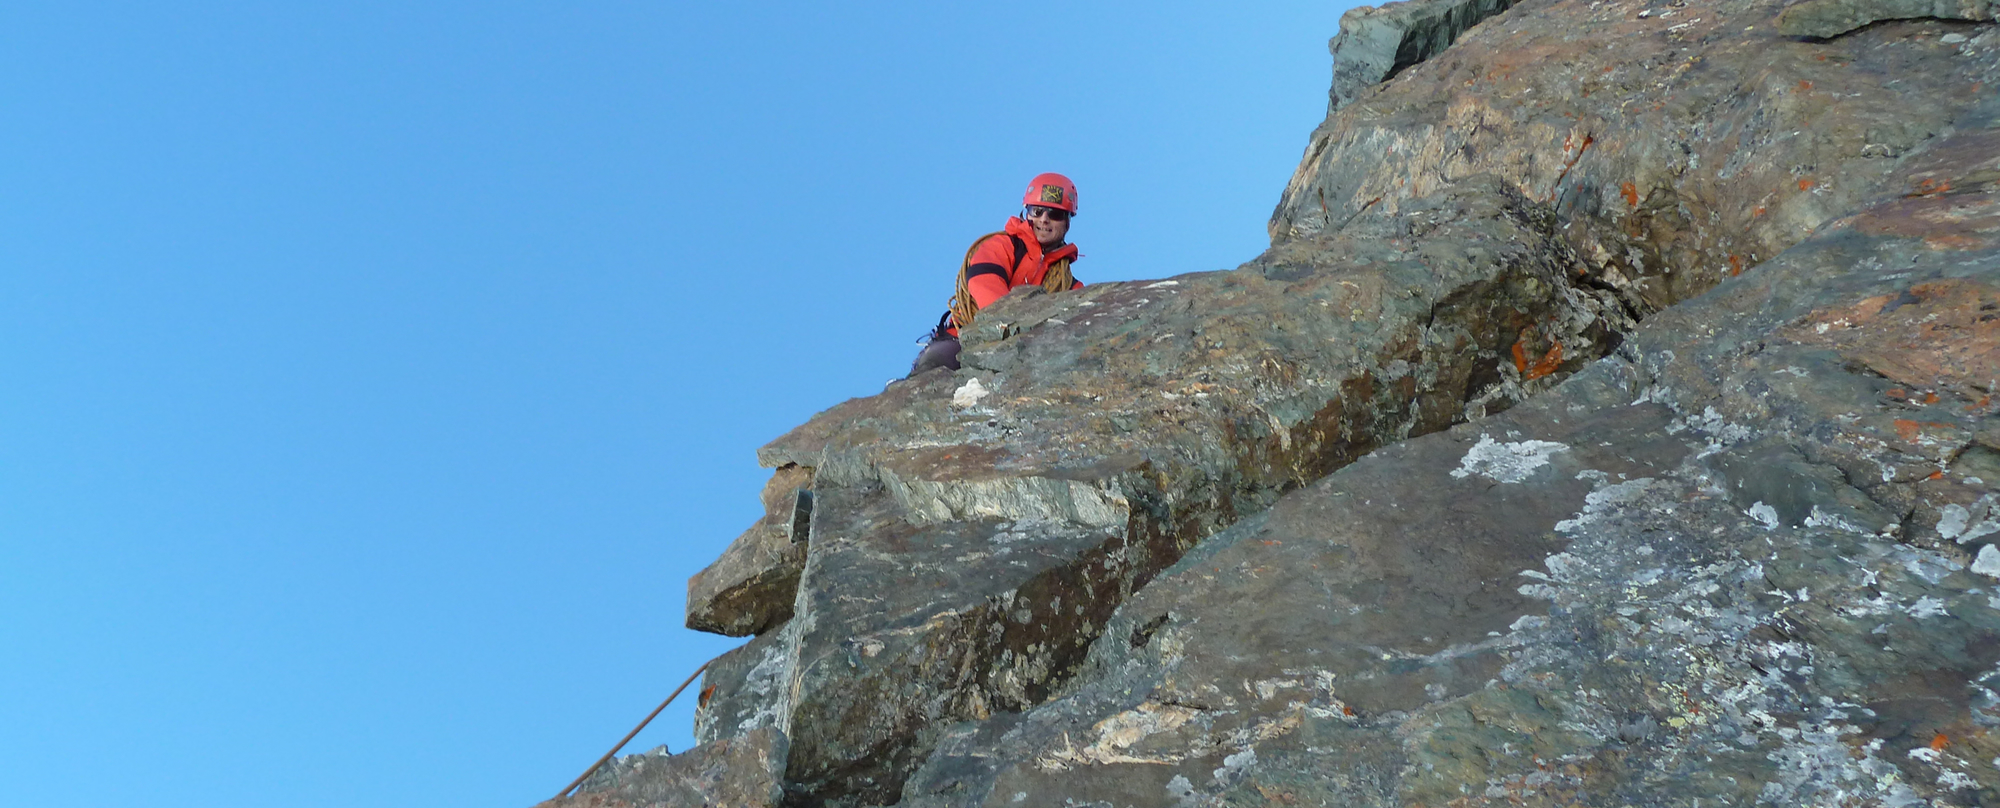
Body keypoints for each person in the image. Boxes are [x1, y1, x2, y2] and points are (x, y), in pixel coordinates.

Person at [910, 172, 1085, 375]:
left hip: (1026, 350)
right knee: (931, 372)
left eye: (1054, 214)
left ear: (1067, 221)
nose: (1044, 220)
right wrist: (1011, 328)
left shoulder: (1070, 285)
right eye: (1037, 211)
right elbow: (984, 282)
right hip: (960, 337)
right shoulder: (1001, 246)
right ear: (1026, 212)